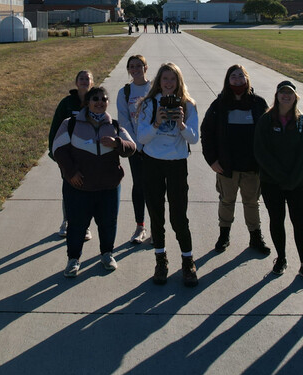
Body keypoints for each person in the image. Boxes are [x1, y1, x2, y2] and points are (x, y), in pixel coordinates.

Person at [52, 86, 137, 277]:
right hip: (79, 187)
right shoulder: (71, 124)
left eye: (104, 99)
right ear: (87, 102)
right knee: (76, 225)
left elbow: (132, 147)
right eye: (95, 99)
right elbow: (58, 148)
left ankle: (107, 254)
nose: (100, 102)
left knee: (108, 223)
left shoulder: (114, 126)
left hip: (108, 187)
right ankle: (73, 259)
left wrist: (117, 143)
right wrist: (71, 172)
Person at [136, 62, 201, 287]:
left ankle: (188, 261)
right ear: (158, 81)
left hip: (176, 164)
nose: (169, 84)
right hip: (153, 163)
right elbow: (141, 138)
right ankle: (161, 260)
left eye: (173, 79)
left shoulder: (188, 105)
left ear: (178, 81)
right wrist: (157, 122)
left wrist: (181, 124)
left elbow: (193, 138)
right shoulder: (148, 104)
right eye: (165, 79)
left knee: (179, 216)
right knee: (156, 215)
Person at [200, 64, 271, 255]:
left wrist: (265, 162)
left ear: (247, 78)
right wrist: (212, 160)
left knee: (252, 202)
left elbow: (268, 134)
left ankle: (255, 237)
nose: (238, 79)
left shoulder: (258, 104)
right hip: (226, 167)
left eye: (241, 76)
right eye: (233, 76)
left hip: (252, 167)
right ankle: (224, 235)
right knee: (226, 201)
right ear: (227, 80)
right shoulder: (219, 104)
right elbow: (206, 132)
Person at [254, 81, 303, 284]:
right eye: (282, 92)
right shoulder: (266, 120)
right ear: (277, 95)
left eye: (290, 93)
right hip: (272, 183)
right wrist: (280, 177)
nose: (286, 96)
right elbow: (261, 152)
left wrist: (292, 179)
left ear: (295, 97)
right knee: (277, 219)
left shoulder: (302, 123)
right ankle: (281, 258)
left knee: (300, 222)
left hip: (297, 183)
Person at [48, 70, 95, 241]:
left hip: (88, 155)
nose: (84, 81)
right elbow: (55, 128)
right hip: (69, 155)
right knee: (69, 189)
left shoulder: (95, 102)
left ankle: (85, 226)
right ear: (76, 83)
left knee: (86, 190)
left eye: (87, 79)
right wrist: (54, 151)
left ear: (92, 82)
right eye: (81, 78)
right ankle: (67, 221)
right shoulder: (66, 103)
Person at [116, 55, 152, 244]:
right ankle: (140, 227)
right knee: (139, 185)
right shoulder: (125, 92)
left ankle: (157, 227)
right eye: (132, 66)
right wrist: (137, 145)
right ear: (128, 69)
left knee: (156, 187)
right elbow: (123, 120)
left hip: (155, 147)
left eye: (139, 65)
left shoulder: (154, 88)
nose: (136, 69)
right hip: (136, 148)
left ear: (146, 67)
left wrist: (149, 141)